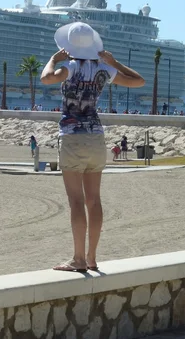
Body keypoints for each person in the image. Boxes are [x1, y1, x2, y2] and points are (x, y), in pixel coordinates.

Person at [40, 22, 145, 272]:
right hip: (96, 136)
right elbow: (138, 81)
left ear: (68, 45)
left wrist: (53, 59)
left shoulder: (68, 67)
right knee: (94, 200)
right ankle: (92, 258)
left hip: (72, 135)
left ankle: (78, 259)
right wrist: (114, 62)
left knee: (76, 201)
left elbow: (46, 78)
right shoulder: (103, 70)